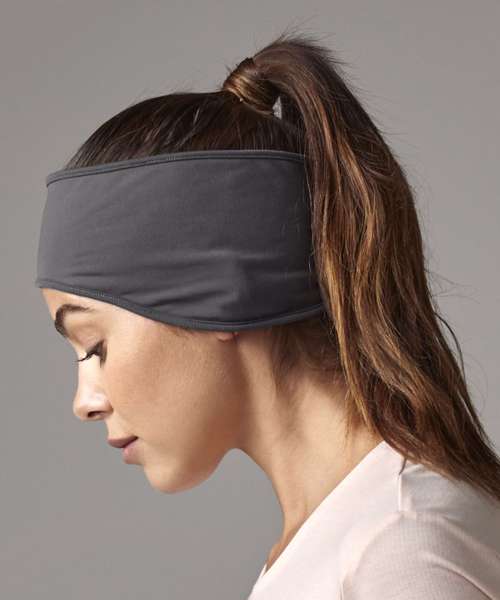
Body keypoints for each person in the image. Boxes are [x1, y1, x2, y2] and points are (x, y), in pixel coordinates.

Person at [35, 28, 500, 599]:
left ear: (218, 291)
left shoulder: (400, 554)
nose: (85, 402)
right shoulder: (358, 532)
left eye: (95, 346)